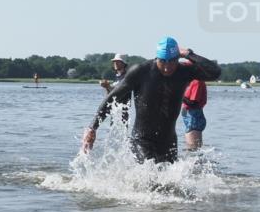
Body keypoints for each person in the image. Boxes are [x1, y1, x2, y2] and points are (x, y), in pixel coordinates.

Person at [82, 37, 221, 163]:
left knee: (169, 185)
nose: (167, 67)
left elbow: (215, 72)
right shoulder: (141, 71)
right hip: (142, 140)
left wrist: (189, 54)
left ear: (178, 58)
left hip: (169, 141)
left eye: (172, 61)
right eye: (162, 61)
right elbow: (112, 98)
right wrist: (92, 128)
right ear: (156, 58)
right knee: (151, 181)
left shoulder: (184, 71)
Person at [181, 73, 208, 150]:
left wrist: (178, 94)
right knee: (191, 148)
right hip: (188, 114)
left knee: (193, 149)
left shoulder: (197, 81)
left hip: (194, 115)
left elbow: (193, 103)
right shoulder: (189, 82)